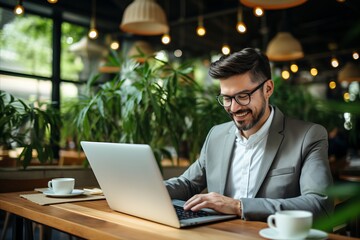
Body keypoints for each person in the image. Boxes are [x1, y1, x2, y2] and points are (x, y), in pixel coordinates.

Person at [165, 48, 333, 222]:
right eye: (227, 98)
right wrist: (146, 189)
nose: (234, 108)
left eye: (243, 96)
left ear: (268, 89)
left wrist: (238, 206)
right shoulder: (216, 135)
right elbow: (188, 183)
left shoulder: (308, 136)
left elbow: (320, 204)